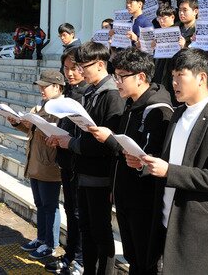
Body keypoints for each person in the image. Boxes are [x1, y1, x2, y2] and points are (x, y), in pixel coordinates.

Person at [125, 48, 208, 274]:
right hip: (165, 217)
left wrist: (168, 171)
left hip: (193, 224)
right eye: (173, 76)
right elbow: (169, 162)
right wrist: (146, 165)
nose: (174, 82)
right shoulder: (178, 114)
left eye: (180, 76)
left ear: (202, 77)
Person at [88, 47, 173, 275]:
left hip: (144, 200)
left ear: (141, 77)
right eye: (116, 76)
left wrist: (110, 139)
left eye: (121, 77)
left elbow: (148, 158)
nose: (117, 82)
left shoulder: (159, 110)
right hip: (125, 195)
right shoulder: (131, 105)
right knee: (133, 257)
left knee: (146, 261)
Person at [47, 41, 125, 275]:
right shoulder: (90, 92)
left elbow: (109, 142)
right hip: (83, 171)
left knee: (100, 232)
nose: (79, 72)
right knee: (87, 228)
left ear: (100, 64)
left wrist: (71, 143)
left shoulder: (112, 95)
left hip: (100, 175)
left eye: (83, 66)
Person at [8, 70, 64, 260]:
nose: (41, 90)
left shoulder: (62, 108)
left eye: (45, 86)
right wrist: (18, 123)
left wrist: (37, 124)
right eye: (40, 86)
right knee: (40, 204)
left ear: (57, 87)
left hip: (50, 164)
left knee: (50, 205)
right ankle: (41, 238)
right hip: (35, 162)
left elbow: (59, 135)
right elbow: (30, 131)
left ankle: (51, 244)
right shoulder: (41, 106)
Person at [45, 50, 88, 275]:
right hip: (66, 160)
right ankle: (70, 254)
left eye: (74, 68)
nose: (69, 73)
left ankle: (80, 259)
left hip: (79, 161)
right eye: (66, 68)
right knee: (70, 210)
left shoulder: (87, 95)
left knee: (79, 213)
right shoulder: (69, 92)